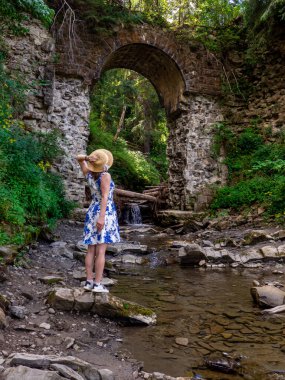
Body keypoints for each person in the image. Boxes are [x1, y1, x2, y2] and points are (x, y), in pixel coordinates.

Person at [76, 149, 120, 293]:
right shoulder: (105, 175)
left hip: (92, 209)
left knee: (90, 249)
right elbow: (105, 197)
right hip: (104, 211)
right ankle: (97, 284)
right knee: (101, 250)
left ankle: (89, 282)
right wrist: (102, 217)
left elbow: (79, 158)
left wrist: (88, 158)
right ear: (105, 163)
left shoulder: (88, 174)